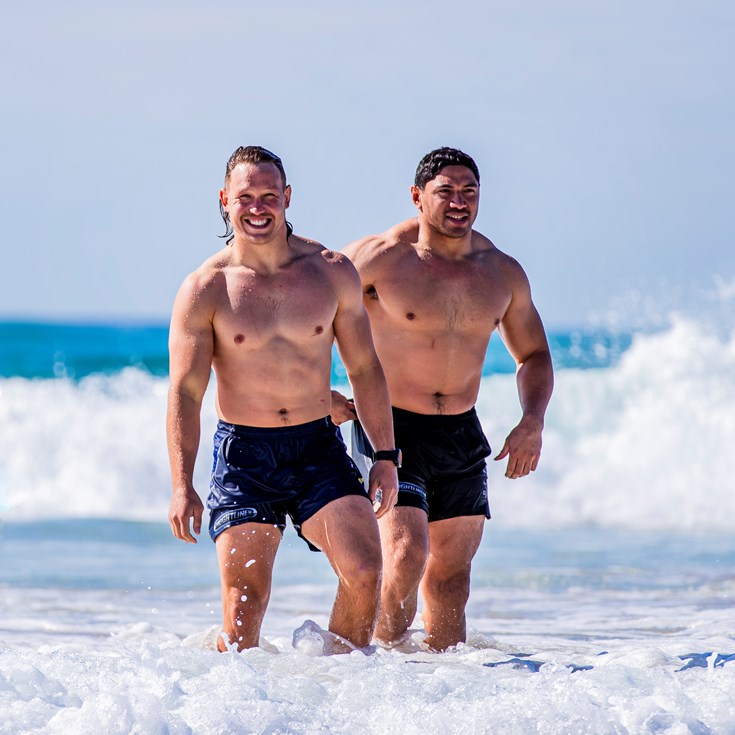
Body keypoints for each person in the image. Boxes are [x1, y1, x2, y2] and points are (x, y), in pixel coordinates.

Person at [167, 145, 399, 653]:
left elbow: (364, 367)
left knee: (365, 570)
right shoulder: (205, 288)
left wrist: (384, 455)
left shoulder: (331, 271)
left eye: (269, 195)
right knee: (245, 605)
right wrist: (182, 485)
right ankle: (242, 712)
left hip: (317, 448)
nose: (257, 207)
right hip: (245, 456)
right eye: (245, 196)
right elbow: (186, 392)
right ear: (224, 200)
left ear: (287, 197)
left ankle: (341, 687)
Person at [332, 147, 553, 651]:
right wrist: (318, 392)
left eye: (469, 192)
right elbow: (308, 318)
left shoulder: (501, 272)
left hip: (459, 430)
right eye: (445, 192)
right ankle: (374, 667)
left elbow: (534, 354)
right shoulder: (379, 258)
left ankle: (445, 691)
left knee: (451, 579)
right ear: (417, 197)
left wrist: (532, 420)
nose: (459, 202)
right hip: (389, 425)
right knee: (406, 554)